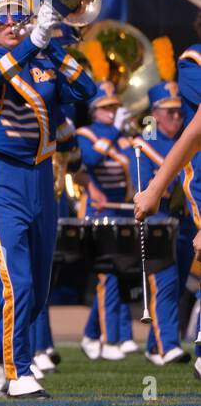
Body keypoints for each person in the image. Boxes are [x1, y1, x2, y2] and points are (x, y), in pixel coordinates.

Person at [0, 0, 95, 398]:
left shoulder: (41, 59)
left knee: (37, 289)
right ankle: (18, 370)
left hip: (42, 178)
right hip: (3, 179)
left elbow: (85, 91)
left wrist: (50, 40)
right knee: (15, 281)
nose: (9, 24)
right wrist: (34, 42)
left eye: (16, 16)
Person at [131, 80, 192, 366]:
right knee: (164, 284)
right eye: (169, 112)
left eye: (179, 112)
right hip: (158, 222)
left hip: (185, 223)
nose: (177, 117)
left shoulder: (189, 139)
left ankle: (156, 346)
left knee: (179, 285)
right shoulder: (145, 142)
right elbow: (141, 184)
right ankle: (168, 345)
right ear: (154, 113)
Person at [77, 82, 137, 359]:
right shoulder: (85, 133)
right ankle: (108, 339)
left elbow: (137, 167)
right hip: (99, 214)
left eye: (114, 107)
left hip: (122, 211)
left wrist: (135, 134)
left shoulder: (123, 136)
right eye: (105, 107)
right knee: (107, 276)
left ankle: (107, 335)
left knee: (121, 275)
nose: (111, 112)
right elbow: (90, 159)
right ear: (93, 110)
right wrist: (115, 132)